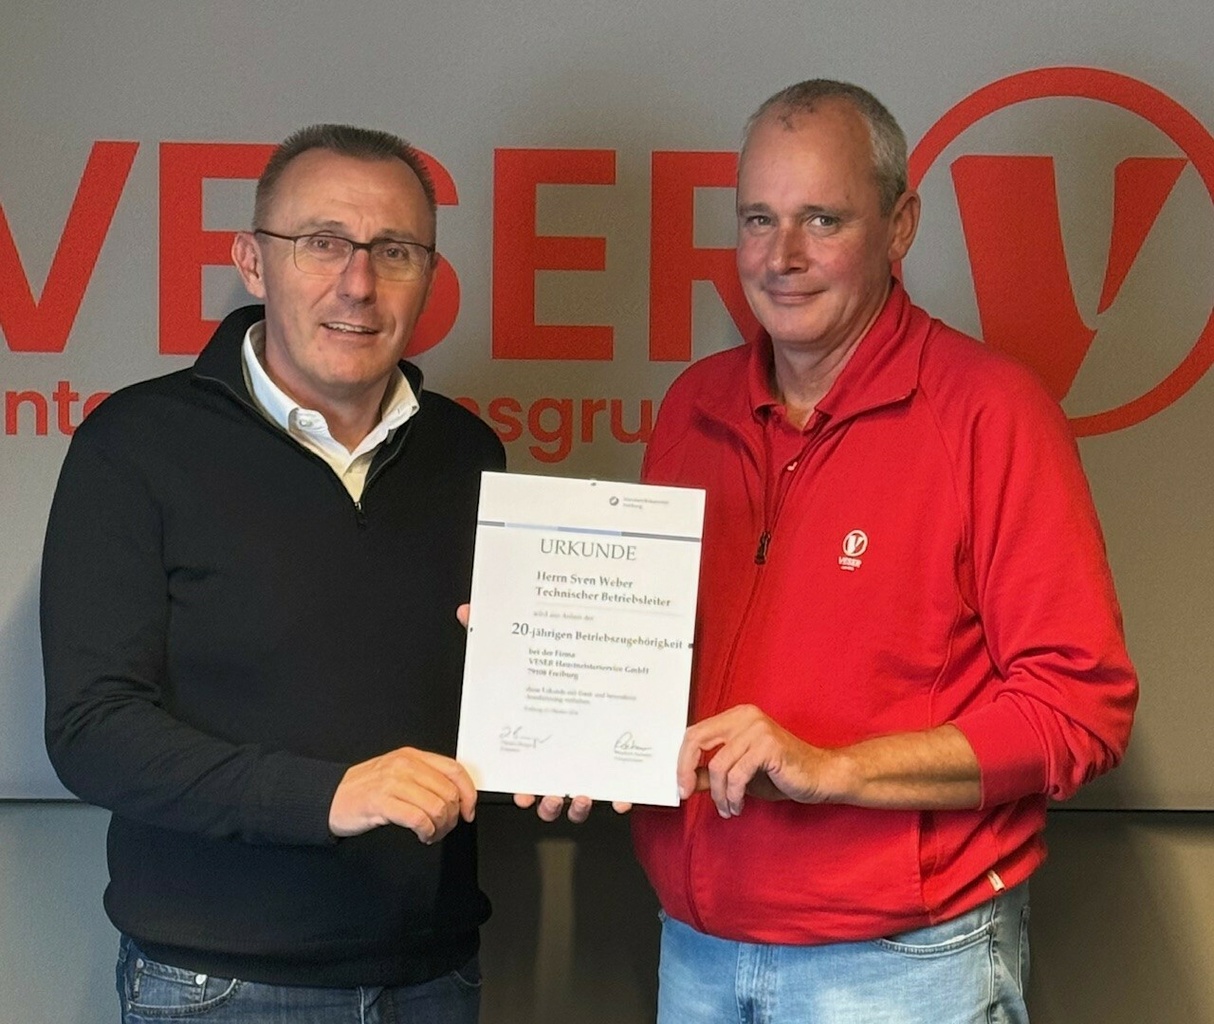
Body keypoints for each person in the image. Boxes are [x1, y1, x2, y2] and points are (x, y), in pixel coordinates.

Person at [628, 80, 1138, 1022]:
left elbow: (1081, 708)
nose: (781, 256)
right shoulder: (692, 408)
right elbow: (651, 656)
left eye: (822, 220)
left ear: (900, 226)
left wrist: (839, 769)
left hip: (904, 965)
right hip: (696, 950)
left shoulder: (990, 413)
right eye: (758, 219)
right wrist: (551, 676)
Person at [41, 124, 505, 1023]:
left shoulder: (468, 454)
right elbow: (92, 730)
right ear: (253, 262)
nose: (358, 284)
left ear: (429, 278)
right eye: (323, 243)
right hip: (221, 983)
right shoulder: (135, 447)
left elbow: (494, 690)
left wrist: (560, 748)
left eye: (395, 251)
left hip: (434, 974)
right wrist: (328, 794)